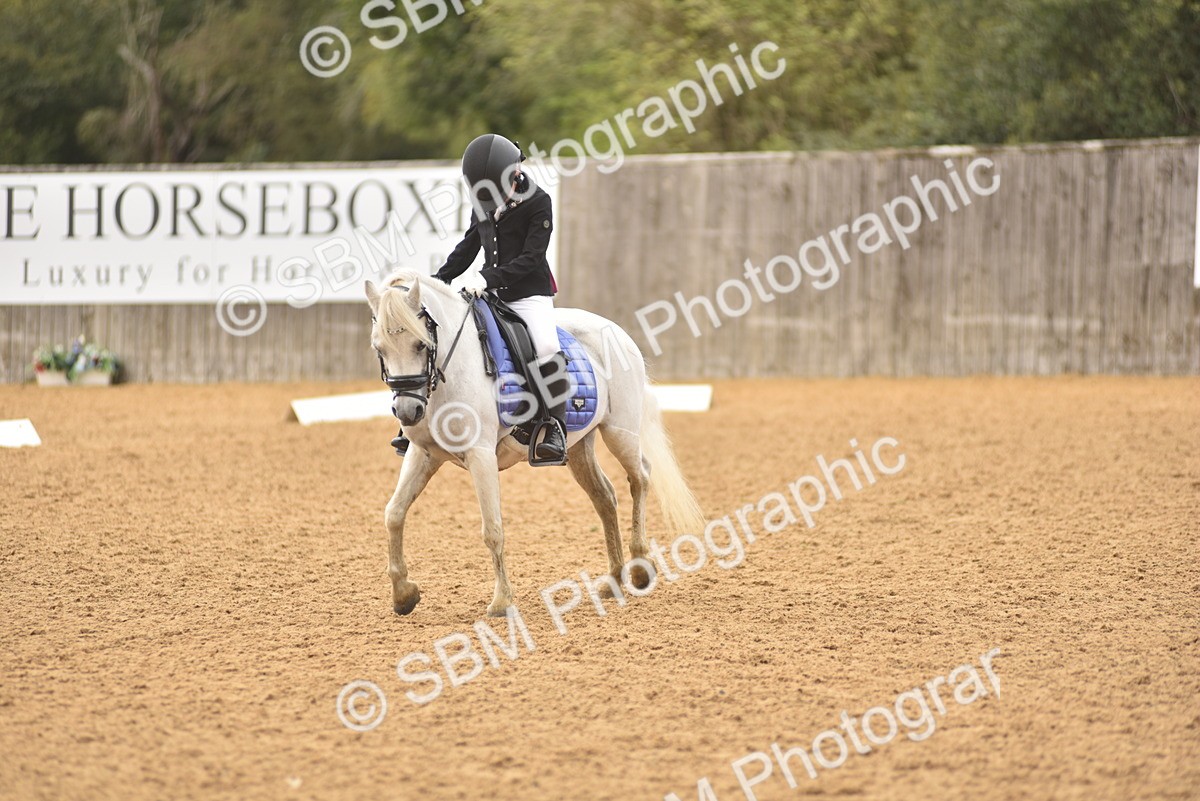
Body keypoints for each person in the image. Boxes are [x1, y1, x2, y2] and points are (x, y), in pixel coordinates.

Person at [390, 133, 570, 464]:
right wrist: (438, 281)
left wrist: (487, 277)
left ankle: (553, 425)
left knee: (545, 346)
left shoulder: (537, 201)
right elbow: (469, 245)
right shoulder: (484, 199)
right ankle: (416, 425)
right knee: (444, 334)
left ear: (514, 174)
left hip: (529, 293)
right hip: (486, 290)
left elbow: (532, 257)